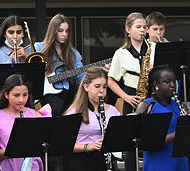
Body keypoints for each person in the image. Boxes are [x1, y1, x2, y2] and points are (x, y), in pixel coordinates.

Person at [107, 12, 154, 171]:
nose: (142, 30)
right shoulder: (121, 53)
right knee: (130, 142)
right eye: (138, 27)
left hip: (151, 96)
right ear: (128, 29)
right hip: (131, 97)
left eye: (144, 27)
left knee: (152, 139)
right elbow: (111, 80)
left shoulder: (152, 48)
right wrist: (125, 97)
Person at [0, 74, 52, 171]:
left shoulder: (36, 115)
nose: (21, 100)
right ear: (6, 95)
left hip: (32, 167)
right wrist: (15, 151)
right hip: (8, 167)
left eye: (25, 95)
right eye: (16, 95)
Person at [63, 67, 120, 171]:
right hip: (82, 162)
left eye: (105, 87)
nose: (101, 91)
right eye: (97, 86)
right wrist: (88, 146)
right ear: (86, 87)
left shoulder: (112, 111)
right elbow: (63, 144)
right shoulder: (74, 112)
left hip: (105, 161)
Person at [135, 64, 189, 171]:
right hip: (158, 161)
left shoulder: (180, 105)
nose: (172, 85)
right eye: (167, 82)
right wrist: (178, 133)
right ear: (156, 84)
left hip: (180, 160)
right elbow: (145, 143)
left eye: (174, 81)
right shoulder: (146, 106)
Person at [34, 13, 84, 117]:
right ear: (53, 31)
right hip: (47, 91)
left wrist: (96, 71)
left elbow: (81, 76)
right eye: (60, 31)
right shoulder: (38, 47)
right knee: (54, 113)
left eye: (67, 31)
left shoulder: (73, 53)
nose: (64, 34)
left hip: (67, 92)